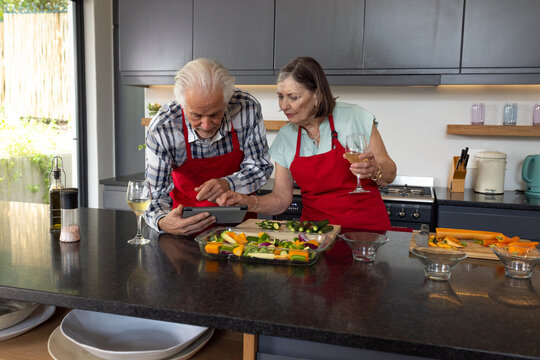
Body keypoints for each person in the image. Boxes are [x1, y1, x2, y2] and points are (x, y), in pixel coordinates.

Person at [217, 57, 396, 231]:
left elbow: (390, 173)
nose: (284, 106)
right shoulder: (286, 137)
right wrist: (249, 202)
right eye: (280, 97)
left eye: (293, 97)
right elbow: (281, 198)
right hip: (315, 236)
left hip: (366, 232)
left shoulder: (354, 117)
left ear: (317, 95)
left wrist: (375, 171)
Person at [144, 58, 273, 235]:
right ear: (182, 104)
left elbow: (260, 166)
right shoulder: (163, 128)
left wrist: (229, 183)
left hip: (241, 227)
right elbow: (155, 196)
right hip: (184, 228)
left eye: (215, 114)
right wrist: (163, 222)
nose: (206, 125)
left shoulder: (246, 108)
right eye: (196, 115)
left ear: (226, 103)